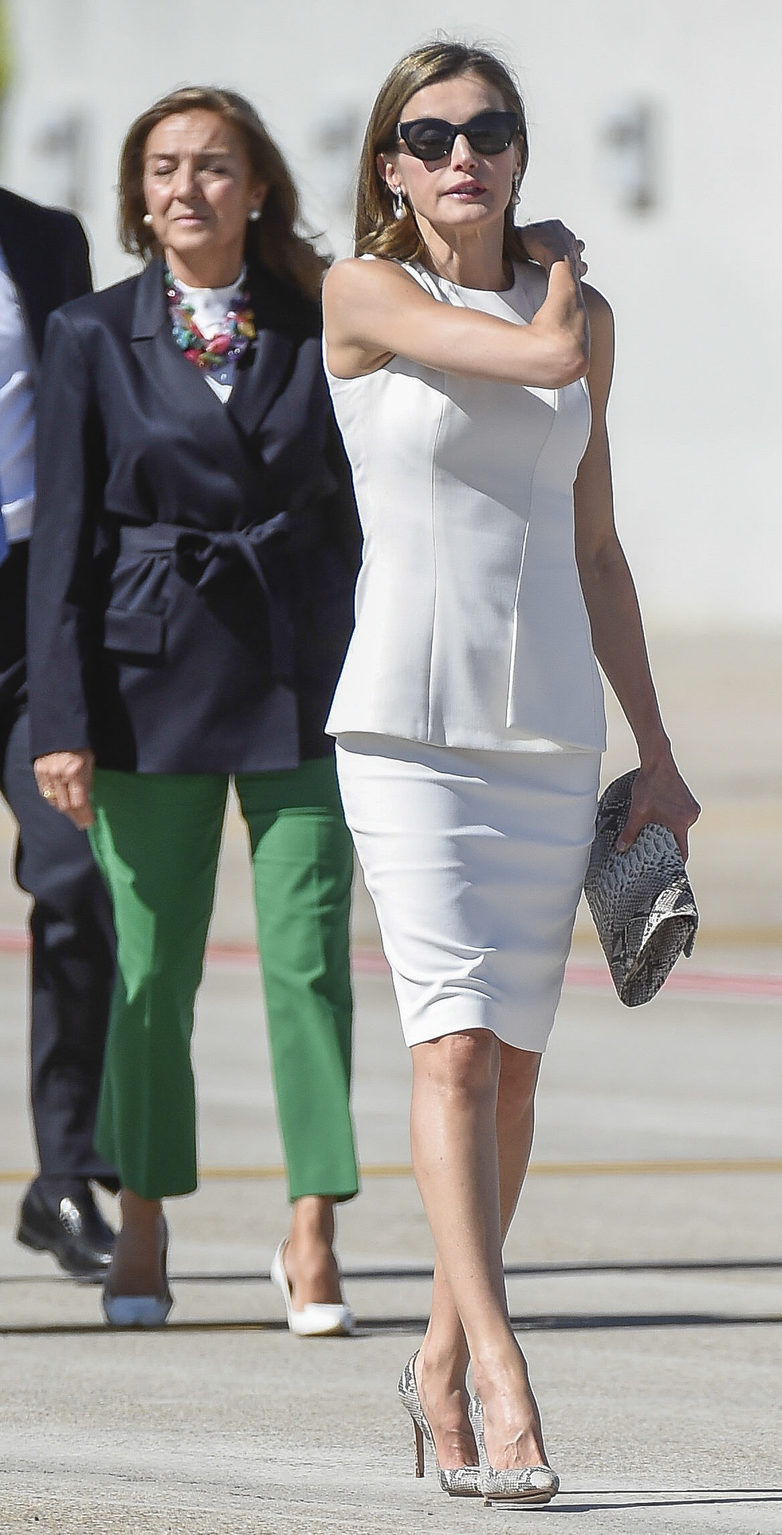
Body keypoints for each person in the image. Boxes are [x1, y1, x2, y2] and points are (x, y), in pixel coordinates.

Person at [321, 40, 699, 1505]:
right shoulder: (367, 295)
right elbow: (534, 358)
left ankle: (432, 1351)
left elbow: (599, 550)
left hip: (549, 729)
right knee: (454, 1049)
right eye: (431, 134)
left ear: (521, 152)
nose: (462, 152)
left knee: (519, 1073)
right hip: (406, 727)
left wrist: (656, 748)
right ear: (393, 165)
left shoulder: (584, 310)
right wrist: (553, 280)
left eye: (490, 130)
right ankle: (501, 1372)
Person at [27, 87, 361, 1331]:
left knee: (307, 961)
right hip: (142, 680)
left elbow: (355, 513)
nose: (185, 187)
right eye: (162, 167)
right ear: (137, 194)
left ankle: (312, 1222)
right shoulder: (88, 334)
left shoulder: (323, 320)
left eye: (212, 166)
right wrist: (59, 717)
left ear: (257, 185)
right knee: (151, 969)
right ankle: (149, 1211)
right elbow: (61, 540)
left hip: (298, 673)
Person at [0, 186, 118, 1279]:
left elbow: (83, 432)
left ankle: (66, 1174)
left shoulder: (44, 239)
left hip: (28, 618)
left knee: (78, 873)